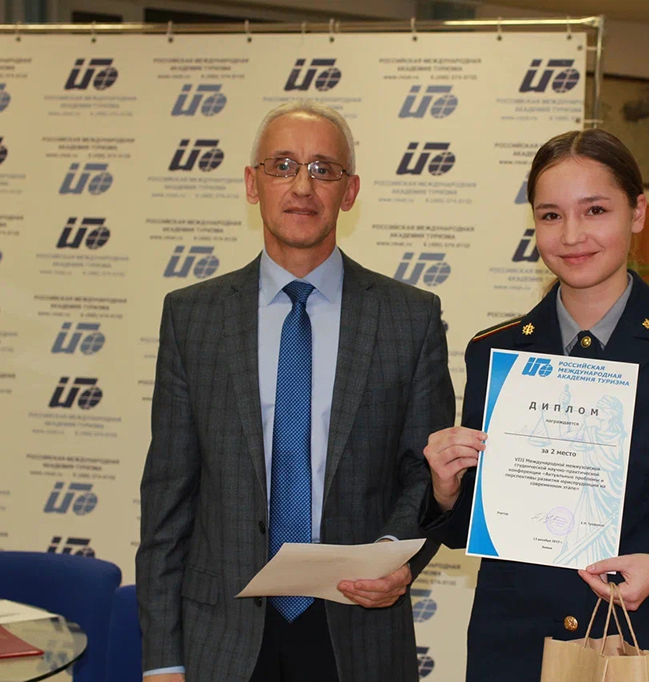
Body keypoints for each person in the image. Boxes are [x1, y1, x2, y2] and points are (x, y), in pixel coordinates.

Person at [422, 128, 649, 682]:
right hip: (516, 648)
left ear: (637, 212)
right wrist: (446, 491)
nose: (572, 235)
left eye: (594, 210)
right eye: (551, 215)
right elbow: (480, 518)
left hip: (647, 642)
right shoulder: (496, 352)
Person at [137, 101, 455, 682]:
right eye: (282, 166)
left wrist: (393, 552)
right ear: (252, 183)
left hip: (357, 631)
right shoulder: (193, 317)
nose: (302, 186)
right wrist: (162, 662)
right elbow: (167, 502)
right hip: (221, 639)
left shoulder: (409, 318)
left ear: (349, 191)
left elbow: (426, 473)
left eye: (323, 169)